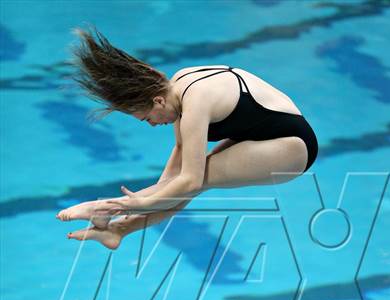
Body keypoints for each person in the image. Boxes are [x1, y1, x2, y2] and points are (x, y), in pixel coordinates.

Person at [57, 28, 318, 249]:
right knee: (184, 183)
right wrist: (143, 204)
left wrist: (132, 204)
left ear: (157, 100)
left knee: (197, 180)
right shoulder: (178, 86)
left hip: (292, 146)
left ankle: (106, 211)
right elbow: (181, 153)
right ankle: (116, 231)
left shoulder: (196, 100)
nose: (152, 124)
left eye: (147, 118)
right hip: (262, 136)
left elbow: (190, 181)